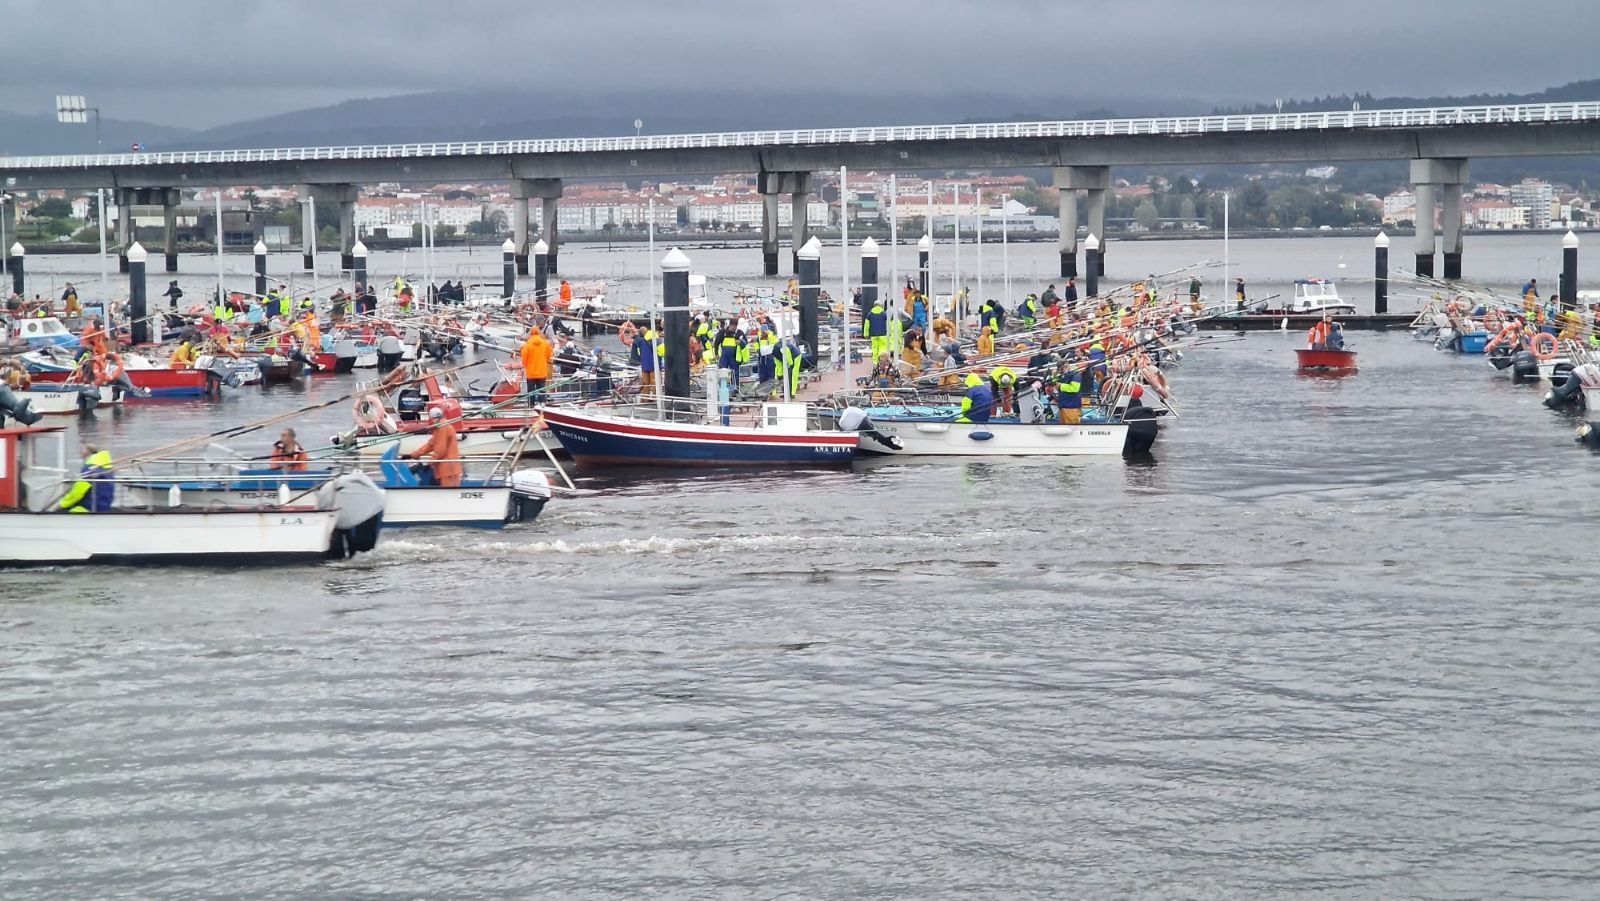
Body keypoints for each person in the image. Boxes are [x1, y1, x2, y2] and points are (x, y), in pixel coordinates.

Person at [405, 408, 462, 487]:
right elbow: (430, 445)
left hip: (448, 469)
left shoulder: (443, 427)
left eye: (431, 419)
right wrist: (413, 455)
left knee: (449, 493)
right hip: (447, 468)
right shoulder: (439, 428)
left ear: (436, 418)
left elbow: (440, 450)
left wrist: (430, 462)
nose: (431, 421)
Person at [58, 443, 115, 513]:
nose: (80, 451)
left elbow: (78, 493)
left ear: (87, 451)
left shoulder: (89, 468)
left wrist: (62, 505)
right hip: (104, 506)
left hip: (87, 507)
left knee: (60, 511)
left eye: (82, 449)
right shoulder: (106, 467)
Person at [520, 327, 552, 400]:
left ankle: (531, 406)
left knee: (531, 392)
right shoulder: (545, 344)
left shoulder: (527, 345)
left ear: (531, 334)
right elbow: (549, 355)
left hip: (531, 373)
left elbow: (524, 359)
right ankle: (542, 406)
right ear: (539, 333)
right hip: (542, 372)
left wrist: (527, 366)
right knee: (542, 392)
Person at [863, 298, 889, 362]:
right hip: (883, 334)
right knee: (882, 348)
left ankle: (875, 362)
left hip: (873, 335)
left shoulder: (870, 314)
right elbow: (888, 324)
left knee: (875, 349)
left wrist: (866, 334)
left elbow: (866, 325)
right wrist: (889, 333)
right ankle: (881, 361)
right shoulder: (884, 314)